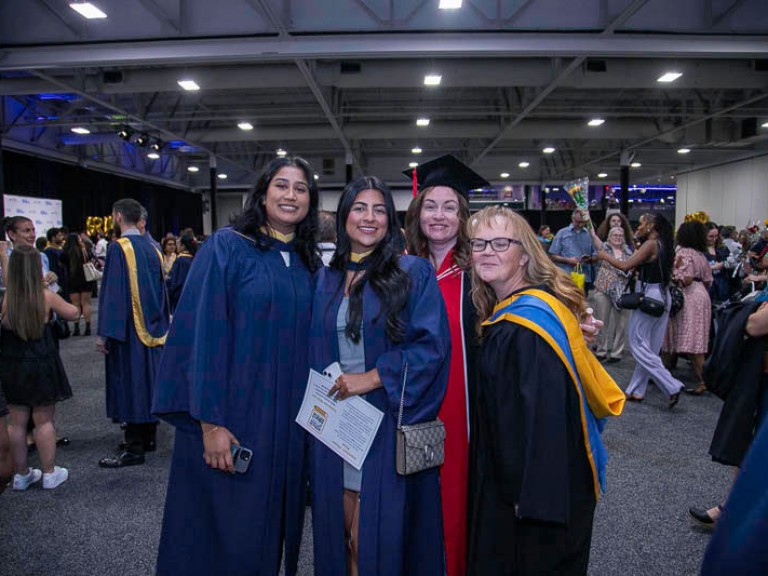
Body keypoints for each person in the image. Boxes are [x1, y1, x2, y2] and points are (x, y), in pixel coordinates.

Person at [152, 157, 321, 576]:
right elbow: (201, 335)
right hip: (235, 419)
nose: (290, 195)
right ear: (262, 194)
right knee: (223, 533)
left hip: (288, 427)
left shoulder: (307, 261)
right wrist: (209, 423)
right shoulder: (227, 248)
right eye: (282, 185)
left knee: (272, 532)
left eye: (301, 189)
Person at [466, 205, 624, 575]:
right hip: (530, 484)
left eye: (500, 242)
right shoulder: (518, 309)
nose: (487, 251)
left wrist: (533, 501)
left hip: (539, 495)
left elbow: (546, 419)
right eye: (479, 243)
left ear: (524, 254)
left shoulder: (525, 328)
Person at [310, 176, 450, 576]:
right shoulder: (326, 278)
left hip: (383, 420)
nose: (368, 218)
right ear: (344, 216)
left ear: (391, 220)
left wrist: (373, 377)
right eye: (359, 208)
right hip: (335, 426)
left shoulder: (412, 272)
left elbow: (431, 348)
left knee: (370, 540)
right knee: (342, 536)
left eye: (379, 210)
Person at [402, 154, 488, 576]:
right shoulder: (400, 268)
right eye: (430, 206)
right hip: (409, 402)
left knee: (454, 491)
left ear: (463, 215)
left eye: (449, 207)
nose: (439, 216)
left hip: (462, 408)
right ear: (418, 213)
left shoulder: (479, 270)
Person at [96, 198, 170, 468]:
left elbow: (114, 295)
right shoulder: (154, 247)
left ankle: (134, 447)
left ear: (117, 216)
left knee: (131, 385)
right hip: (153, 327)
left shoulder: (119, 249)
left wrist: (106, 334)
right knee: (148, 384)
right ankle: (149, 439)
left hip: (128, 331)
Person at [0, 245, 80, 490]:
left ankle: (22, 474)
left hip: (12, 364)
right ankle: (49, 472)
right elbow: (74, 313)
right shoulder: (45, 295)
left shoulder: (7, 299)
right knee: (44, 421)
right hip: (41, 362)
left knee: (16, 423)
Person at [597, 212, 684, 408]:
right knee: (650, 347)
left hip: (648, 295)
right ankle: (636, 390)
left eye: (643, 222)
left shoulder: (650, 244)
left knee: (637, 344)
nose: (639, 225)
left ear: (652, 225)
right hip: (662, 295)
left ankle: (671, 385)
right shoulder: (664, 244)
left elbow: (625, 265)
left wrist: (603, 256)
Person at [662, 221, 713, 395]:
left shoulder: (683, 253)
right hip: (702, 296)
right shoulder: (701, 255)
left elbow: (686, 278)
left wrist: (672, 274)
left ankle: (665, 373)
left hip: (687, 297)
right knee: (697, 339)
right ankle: (703, 378)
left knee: (678, 336)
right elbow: (707, 279)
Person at [589, 225, 632, 362]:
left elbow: (630, 270)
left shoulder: (629, 253)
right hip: (603, 289)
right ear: (609, 237)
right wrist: (585, 213)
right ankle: (601, 349)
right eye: (615, 235)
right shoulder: (604, 249)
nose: (618, 237)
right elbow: (592, 234)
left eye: (620, 235)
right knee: (602, 321)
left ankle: (616, 352)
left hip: (622, 291)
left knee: (621, 323)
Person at [549, 209, 598, 293]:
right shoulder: (562, 233)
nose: (580, 224)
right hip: (566, 277)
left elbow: (597, 256)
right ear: (572, 219)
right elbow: (552, 255)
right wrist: (568, 260)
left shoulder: (590, 235)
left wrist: (588, 259)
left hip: (584, 277)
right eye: (577, 222)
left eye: (582, 222)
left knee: (582, 304)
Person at [62, 232, 97, 336]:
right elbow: (92, 259)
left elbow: (62, 264)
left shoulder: (65, 252)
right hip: (86, 278)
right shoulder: (84, 250)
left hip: (72, 280)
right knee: (86, 303)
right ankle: (88, 328)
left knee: (75, 304)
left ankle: (76, 328)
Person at [166, 234, 196, 313]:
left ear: (183, 246)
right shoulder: (195, 259)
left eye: (178, 244)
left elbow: (174, 282)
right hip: (193, 296)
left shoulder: (180, 260)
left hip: (180, 299)